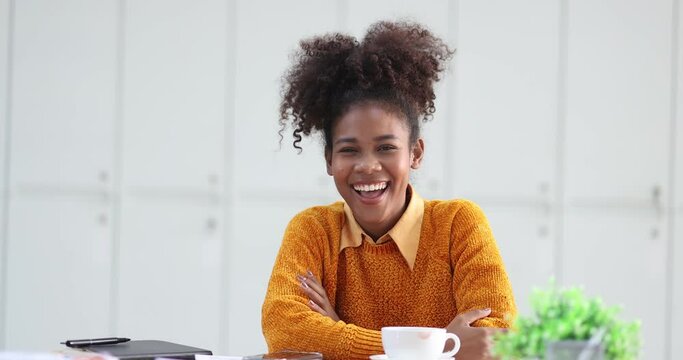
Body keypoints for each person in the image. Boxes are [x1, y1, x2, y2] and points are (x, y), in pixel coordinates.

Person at [261, 20, 516, 360]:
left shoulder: (459, 224)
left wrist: (338, 335)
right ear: (329, 160)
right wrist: (434, 348)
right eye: (349, 150)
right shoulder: (313, 231)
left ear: (416, 153)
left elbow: (493, 339)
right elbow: (284, 329)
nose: (367, 166)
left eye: (385, 148)